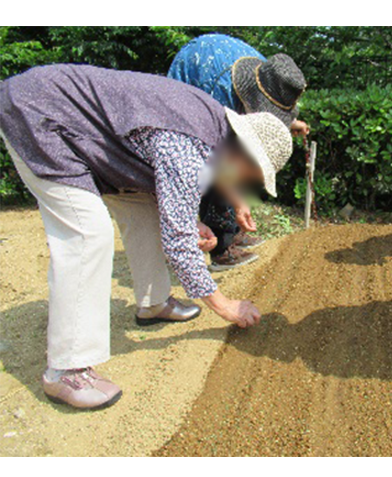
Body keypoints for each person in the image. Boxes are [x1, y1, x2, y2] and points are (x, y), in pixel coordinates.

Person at [0, 64, 293, 409]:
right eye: (254, 174)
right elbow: (180, 241)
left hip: (91, 131)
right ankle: (66, 369)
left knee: (143, 208)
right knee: (87, 233)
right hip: (41, 114)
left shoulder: (215, 124)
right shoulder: (188, 150)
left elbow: (192, 175)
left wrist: (224, 202)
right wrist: (225, 305)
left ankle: (153, 303)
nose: (248, 181)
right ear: (244, 153)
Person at [168, 34, 308, 272]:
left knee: (247, 159)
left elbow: (268, 115)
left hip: (215, 73)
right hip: (193, 84)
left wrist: (290, 124)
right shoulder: (215, 94)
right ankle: (221, 247)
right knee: (225, 165)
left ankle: (233, 232)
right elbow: (214, 160)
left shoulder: (273, 75)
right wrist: (236, 199)